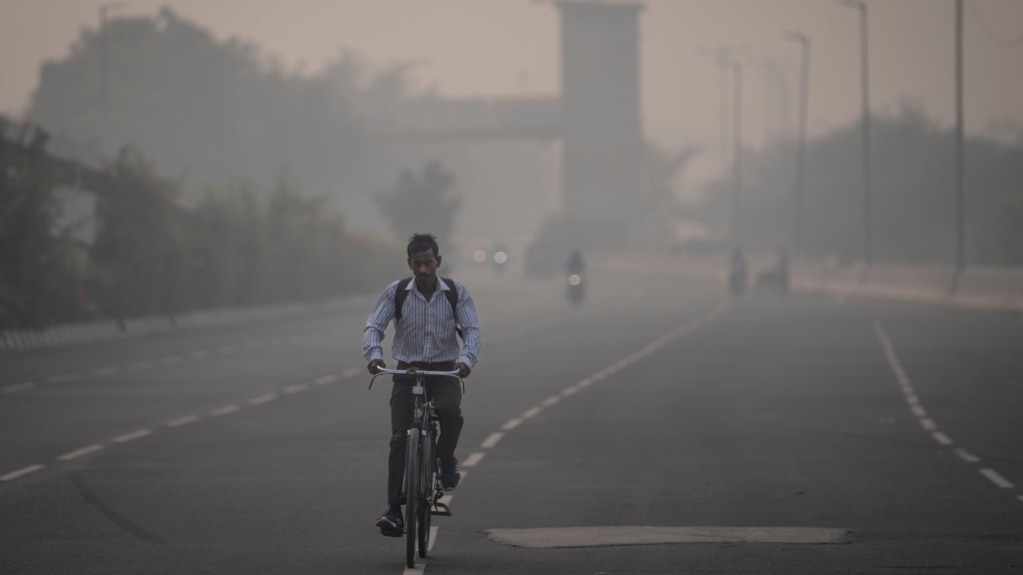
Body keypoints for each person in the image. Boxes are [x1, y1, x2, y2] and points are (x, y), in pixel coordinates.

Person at [363, 233, 482, 537]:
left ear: (438, 261)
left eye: (429, 263)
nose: (424, 270)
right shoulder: (397, 292)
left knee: (451, 413)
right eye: (418, 264)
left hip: (445, 372)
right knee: (399, 439)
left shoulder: (456, 292)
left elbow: (471, 330)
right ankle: (393, 509)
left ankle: (445, 460)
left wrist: (466, 360)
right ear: (409, 264)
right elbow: (374, 326)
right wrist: (375, 356)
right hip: (407, 372)